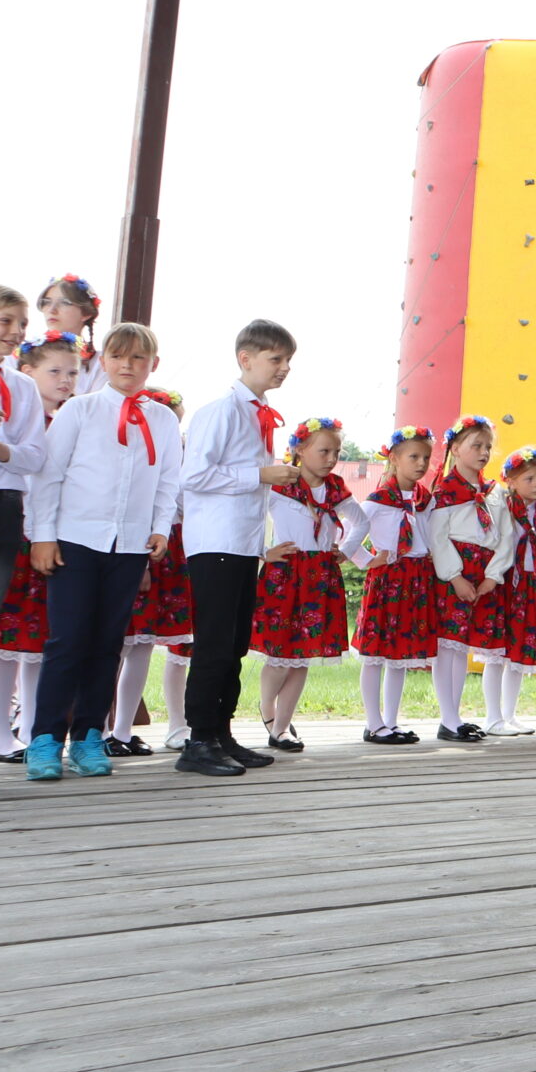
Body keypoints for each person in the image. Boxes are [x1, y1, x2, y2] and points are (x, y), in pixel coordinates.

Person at [23, 322, 181, 779]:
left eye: (138, 358)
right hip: (75, 540)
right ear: (103, 361)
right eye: (118, 356)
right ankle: (44, 739)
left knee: (108, 642)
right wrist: (42, 535)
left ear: (153, 364)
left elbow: (168, 480)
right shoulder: (81, 409)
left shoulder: (163, 419)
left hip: (130, 546)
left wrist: (159, 528)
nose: (127, 365)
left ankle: (89, 735)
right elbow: (49, 475)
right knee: (67, 640)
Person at [178, 319, 303, 777]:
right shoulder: (220, 411)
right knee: (214, 643)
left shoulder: (258, 415)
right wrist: (260, 475)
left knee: (234, 645)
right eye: (276, 359)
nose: (284, 367)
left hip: (243, 545)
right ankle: (198, 740)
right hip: (216, 542)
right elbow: (193, 475)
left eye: (288, 360)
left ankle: (220, 732)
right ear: (245, 359)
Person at [0, 334, 78, 763]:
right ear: (27, 373)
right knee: (5, 635)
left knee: (40, 636)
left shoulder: (71, 419)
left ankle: (32, 727)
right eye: (54, 371)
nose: (64, 380)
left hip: (54, 535)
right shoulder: (17, 413)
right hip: (17, 531)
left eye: (72, 372)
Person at [252, 417, 365, 751]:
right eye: (324, 451)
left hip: (319, 577)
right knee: (279, 655)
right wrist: (264, 551)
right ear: (300, 450)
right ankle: (267, 707)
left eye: (336, 452)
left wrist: (345, 551)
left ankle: (281, 728)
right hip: (285, 574)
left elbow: (361, 521)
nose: (331, 459)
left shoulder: (335, 489)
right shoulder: (280, 483)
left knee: (302, 655)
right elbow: (249, 517)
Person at [0, 286, 50, 752]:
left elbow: (36, 456)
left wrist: (2, 451)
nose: (17, 331)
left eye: (22, 323)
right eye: (6, 320)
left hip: (2, 508)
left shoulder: (21, 386)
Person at [110, 388, 194, 755]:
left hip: (172, 554)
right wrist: (142, 563)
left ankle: (123, 730)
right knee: (119, 644)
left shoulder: (180, 459)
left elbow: (182, 505)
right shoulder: (134, 458)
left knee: (143, 644)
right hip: (137, 549)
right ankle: (101, 729)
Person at [352, 428, 437, 745]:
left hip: (416, 579)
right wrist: (368, 560)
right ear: (394, 459)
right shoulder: (377, 501)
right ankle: (373, 723)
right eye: (414, 456)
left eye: (426, 457)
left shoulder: (424, 500)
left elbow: (430, 533)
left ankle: (391, 720)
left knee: (400, 654)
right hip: (388, 579)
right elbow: (346, 535)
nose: (421, 463)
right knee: (376, 653)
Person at [424, 415, 501, 744]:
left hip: (482, 573)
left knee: (462, 648)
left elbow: (503, 535)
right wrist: (455, 577)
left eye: (488, 447)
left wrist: (493, 575)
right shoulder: (445, 491)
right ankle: (449, 718)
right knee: (449, 647)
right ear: (455, 449)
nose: (484, 452)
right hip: (454, 573)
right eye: (476, 445)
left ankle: (454, 716)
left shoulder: (492, 492)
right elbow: (437, 537)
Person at [481, 447, 536, 735]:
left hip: (529, 585)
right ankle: (492, 717)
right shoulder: (500, 507)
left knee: (517, 655)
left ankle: (509, 715)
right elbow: (490, 540)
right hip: (504, 584)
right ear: (511, 482)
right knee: (497, 654)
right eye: (529, 478)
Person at [37, 274, 105, 397]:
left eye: (64, 302)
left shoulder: (101, 363)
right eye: (47, 302)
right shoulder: (25, 354)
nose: (52, 310)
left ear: (86, 313)